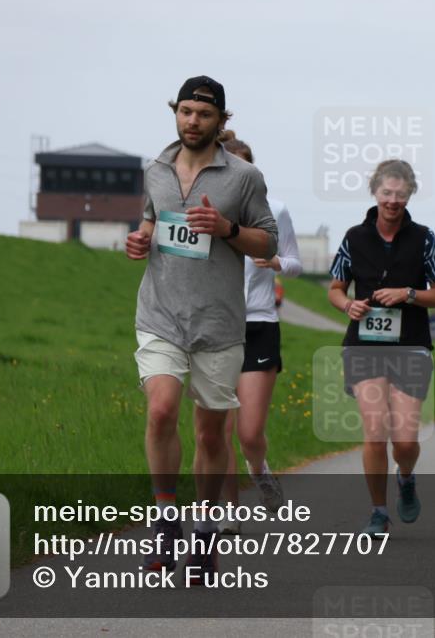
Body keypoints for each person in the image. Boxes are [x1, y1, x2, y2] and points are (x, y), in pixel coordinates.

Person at [125, 76, 278, 584]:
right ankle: (166, 520)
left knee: (213, 434)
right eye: (186, 112)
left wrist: (228, 230)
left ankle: (205, 536)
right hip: (161, 314)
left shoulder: (244, 178)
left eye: (204, 114)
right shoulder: (156, 169)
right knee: (162, 408)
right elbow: (152, 218)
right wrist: (142, 240)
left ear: (221, 121)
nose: (193, 121)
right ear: (176, 113)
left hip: (218, 323)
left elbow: (265, 245)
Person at [327, 159, 435, 538]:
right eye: (386, 193)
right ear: (374, 192)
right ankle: (378, 512)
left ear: (410, 194)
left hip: (410, 346)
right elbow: (334, 289)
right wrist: (349, 305)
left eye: (400, 194)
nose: (393, 201)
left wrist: (408, 293)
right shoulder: (354, 237)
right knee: (375, 430)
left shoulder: (425, 238)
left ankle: (407, 476)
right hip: (364, 345)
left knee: (406, 440)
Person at [210, 132, 302, 535]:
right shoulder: (205, 212)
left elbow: (297, 262)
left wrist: (278, 262)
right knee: (221, 428)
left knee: (249, 433)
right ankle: (229, 511)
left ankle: (261, 471)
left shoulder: (275, 210)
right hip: (215, 326)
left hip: (260, 323)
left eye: (243, 165)